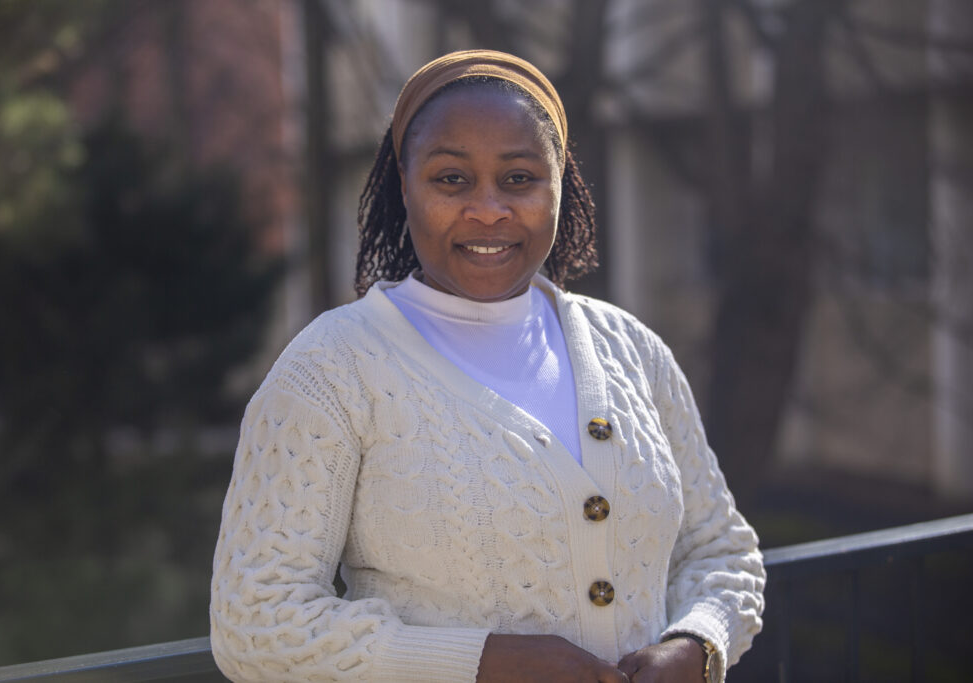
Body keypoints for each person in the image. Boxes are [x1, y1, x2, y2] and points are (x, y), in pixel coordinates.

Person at [210, 49, 764, 683]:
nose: (489, 209)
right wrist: (480, 663)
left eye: (520, 178)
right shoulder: (332, 370)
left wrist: (698, 644)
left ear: (561, 183)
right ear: (405, 185)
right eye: (451, 179)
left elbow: (722, 551)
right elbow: (255, 622)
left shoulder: (631, 350)